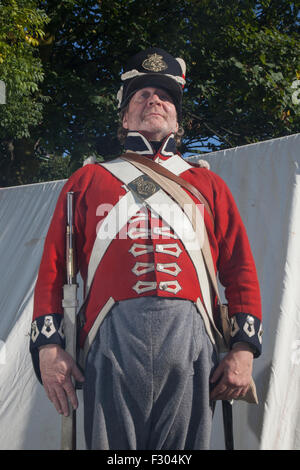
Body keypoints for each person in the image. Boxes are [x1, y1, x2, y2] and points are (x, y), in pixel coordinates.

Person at [30, 47, 262, 450]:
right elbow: (53, 268)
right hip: (110, 336)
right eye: (142, 95)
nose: (155, 99)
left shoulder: (207, 185)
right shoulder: (87, 180)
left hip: (192, 339)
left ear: (177, 117)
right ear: (124, 116)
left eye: (165, 96)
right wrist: (49, 347)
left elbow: (240, 268)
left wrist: (243, 349)